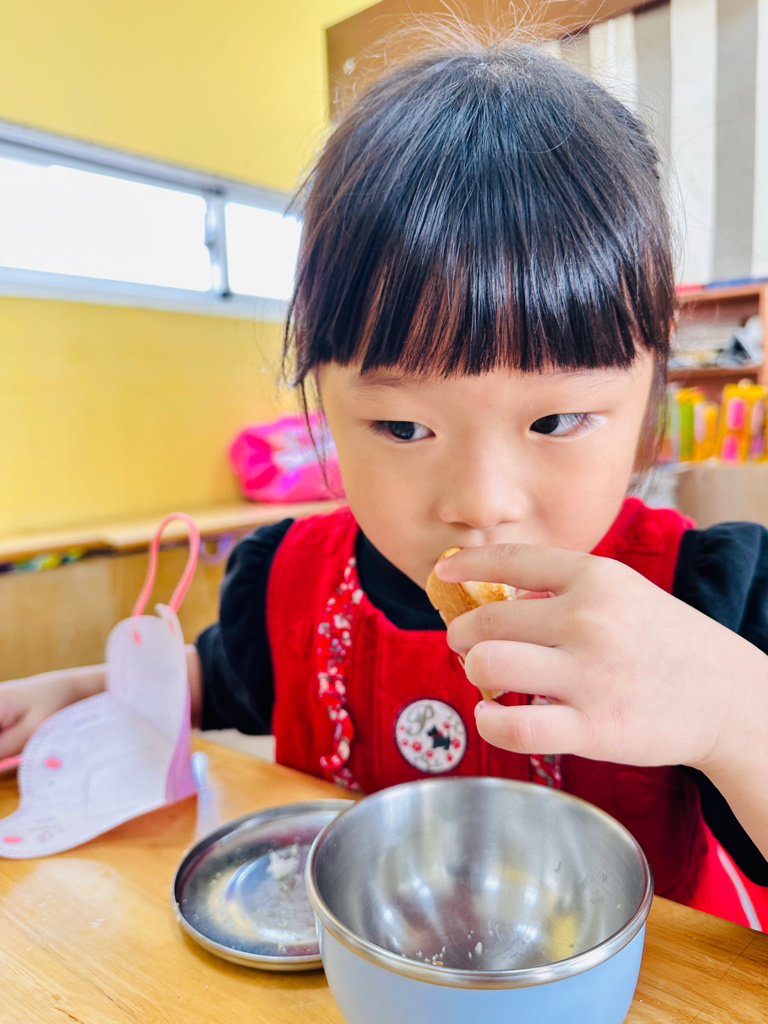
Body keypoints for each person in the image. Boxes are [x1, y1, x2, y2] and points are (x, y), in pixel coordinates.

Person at [1, 39, 767, 928]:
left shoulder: (707, 603)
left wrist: (732, 714)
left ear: (650, 389)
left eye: (557, 421)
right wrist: (91, 690)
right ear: (320, 393)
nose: (480, 503)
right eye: (404, 428)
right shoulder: (290, 584)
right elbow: (220, 676)